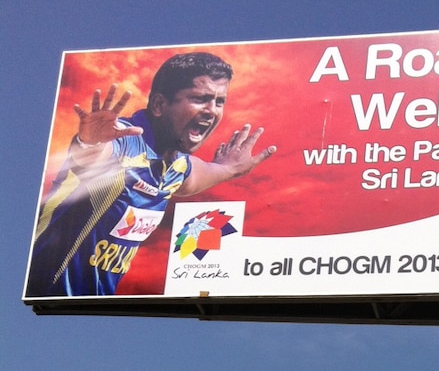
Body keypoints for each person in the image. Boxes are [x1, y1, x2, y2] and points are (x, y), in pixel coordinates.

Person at [26, 51, 276, 297]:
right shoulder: (122, 141)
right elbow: (94, 156)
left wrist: (230, 168)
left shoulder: (177, 167)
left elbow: (201, 174)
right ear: (158, 105)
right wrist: (89, 144)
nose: (212, 110)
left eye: (219, 101)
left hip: (90, 308)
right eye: (200, 98)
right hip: (43, 293)